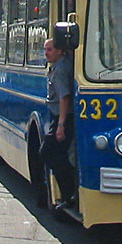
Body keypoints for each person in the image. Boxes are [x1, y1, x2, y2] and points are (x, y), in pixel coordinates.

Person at [40, 37, 76, 212]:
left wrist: (61, 125)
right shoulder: (60, 66)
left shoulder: (61, 70)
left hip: (63, 118)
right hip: (61, 117)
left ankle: (71, 193)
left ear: (60, 51)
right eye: (45, 49)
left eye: (50, 49)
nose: (46, 53)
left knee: (48, 152)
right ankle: (70, 193)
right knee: (55, 153)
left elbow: (64, 98)